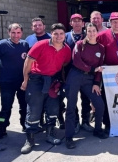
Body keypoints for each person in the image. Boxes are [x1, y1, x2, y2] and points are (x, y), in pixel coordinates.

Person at [20, 23, 71, 154]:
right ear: (51, 34)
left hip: (53, 82)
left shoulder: (66, 49)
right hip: (36, 80)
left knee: (53, 108)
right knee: (34, 110)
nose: (58, 36)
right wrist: (25, 80)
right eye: (56, 34)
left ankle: (50, 135)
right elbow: (28, 62)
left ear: (64, 35)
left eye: (61, 34)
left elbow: (64, 63)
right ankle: (30, 140)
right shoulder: (41, 44)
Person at [64, 23, 107, 149]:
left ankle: (98, 129)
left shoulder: (101, 47)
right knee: (71, 106)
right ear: (86, 32)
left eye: (94, 30)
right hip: (75, 76)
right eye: (89, 31)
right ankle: (69, 136)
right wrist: (93, 69)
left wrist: (96, 83)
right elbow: (77, 62)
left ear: (97, 32)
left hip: (89, 79)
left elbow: (101, 67)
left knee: (99, 104)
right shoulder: (80, 44)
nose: (92, 33)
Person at [0, 23, 30, 143]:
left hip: (22, 82)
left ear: (21, 33)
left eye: (18, 33)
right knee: (5, 107)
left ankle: (25, 126)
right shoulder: (1, 44)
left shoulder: (25, 44)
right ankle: (1, 129)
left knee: (24, 106)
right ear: (8, 33)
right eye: (13, 33)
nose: (16, 35)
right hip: (6, 82)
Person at [97, 12, 118, 134]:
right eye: (114, 21)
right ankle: (107, 123)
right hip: (109, 74)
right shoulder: (102, 35)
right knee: (108, 99)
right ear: (110, 23)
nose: (116, 24)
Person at [64, 14, 93, 133]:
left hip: (86, 74)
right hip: (70, 74)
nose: (76, 23)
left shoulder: (88, 36)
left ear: (83, 23)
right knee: (71, 100)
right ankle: (75, 122)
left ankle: (85, 121)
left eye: (79, 21)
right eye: (74, 21)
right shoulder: (65, 36)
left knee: (86, 98)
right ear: (70, 23)